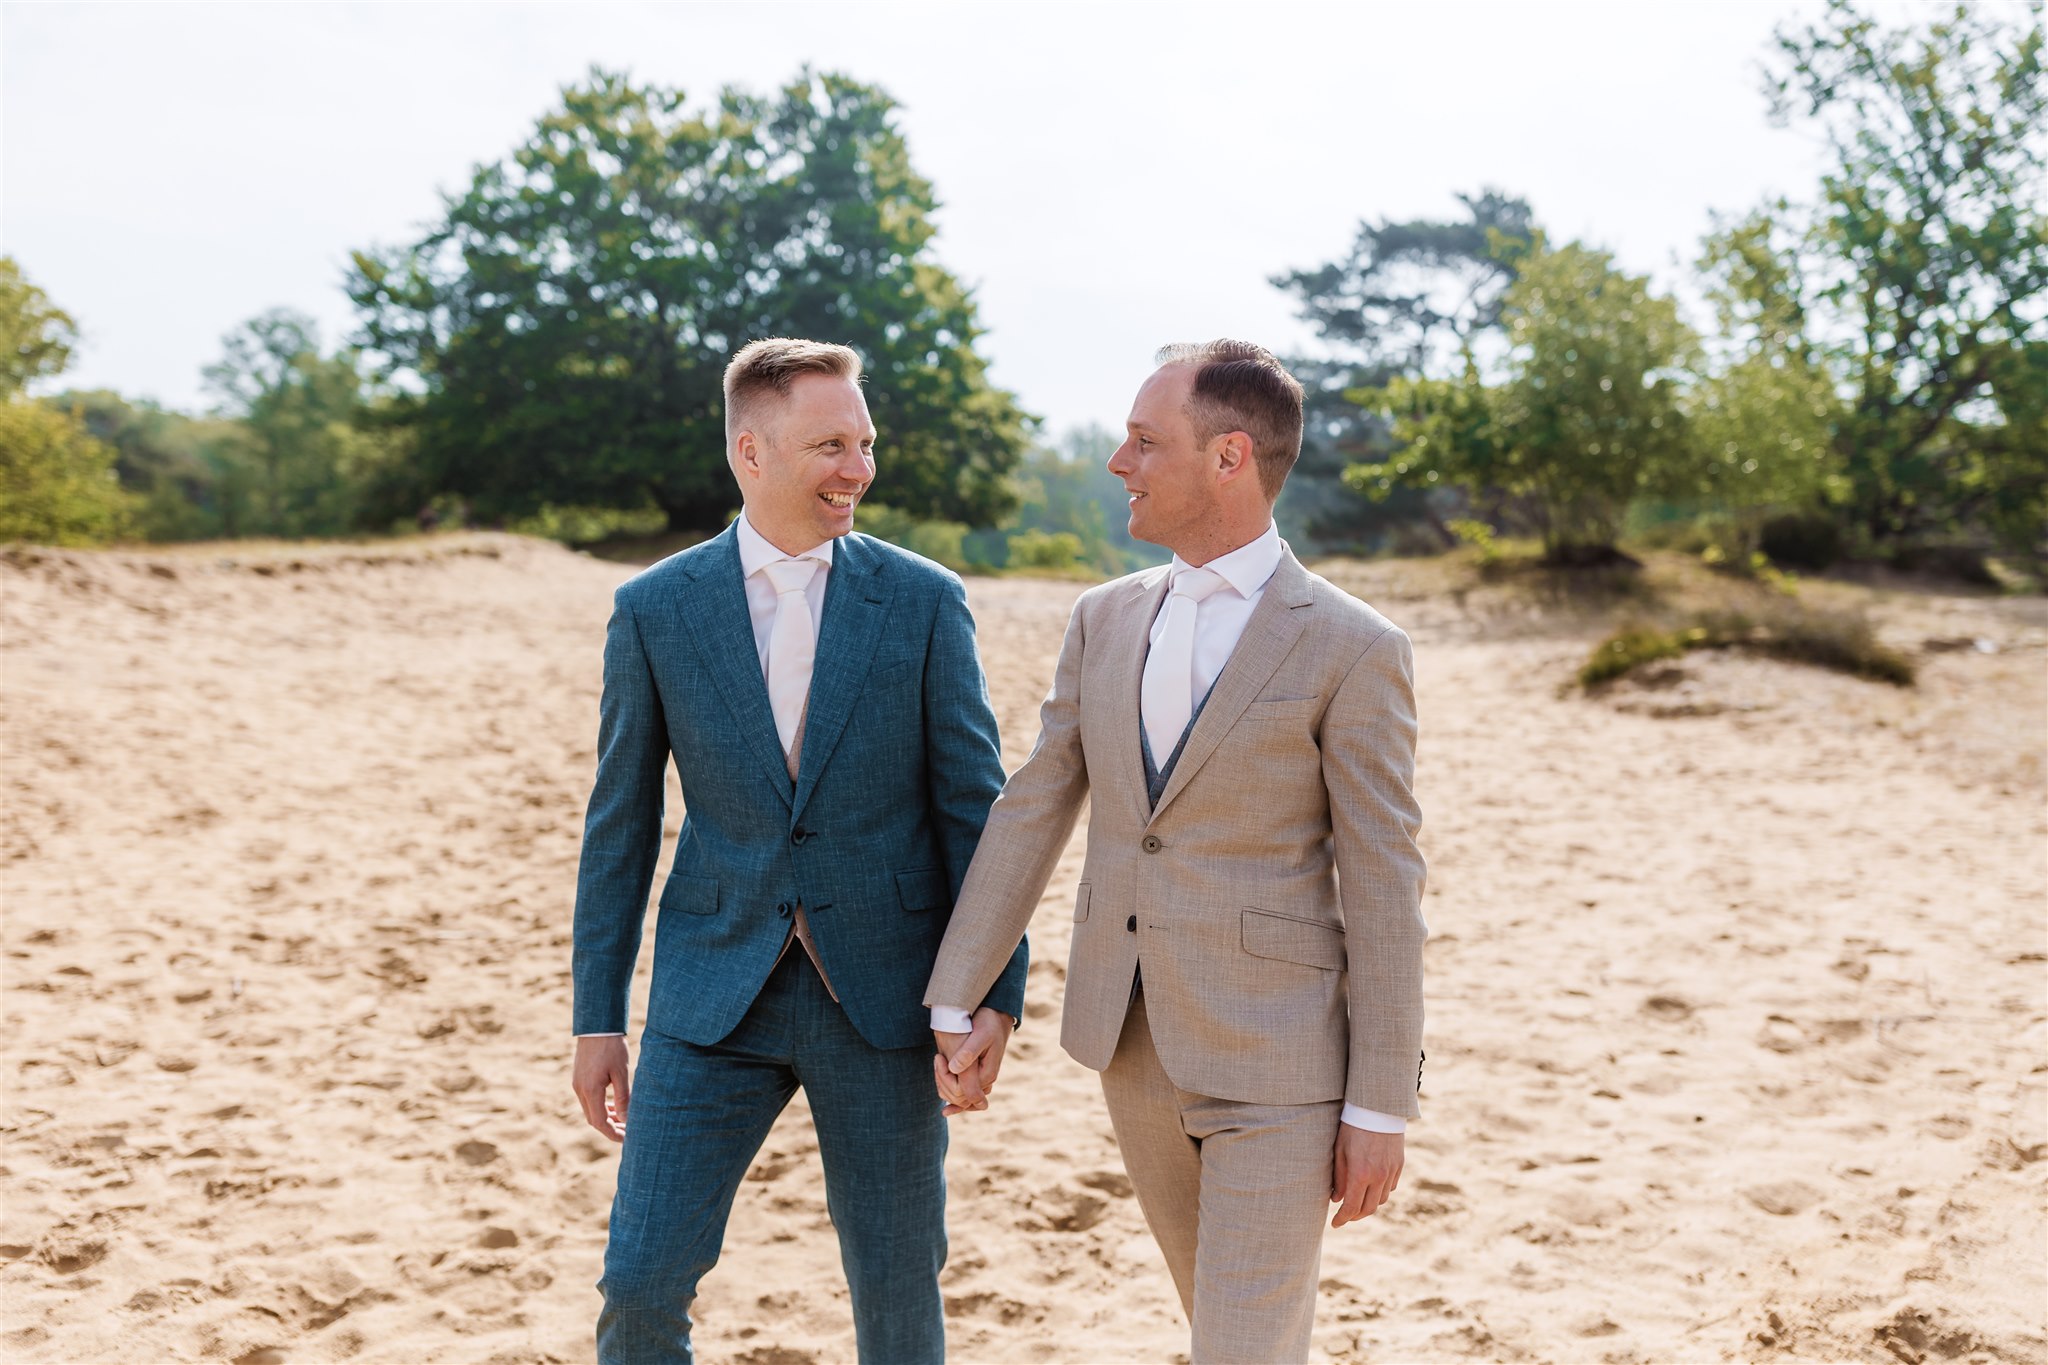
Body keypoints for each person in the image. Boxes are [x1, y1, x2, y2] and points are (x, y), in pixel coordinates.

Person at [925, 340, 1426, 1364]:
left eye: (1145, 441)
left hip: (1278, 1065)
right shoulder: (1102, 618)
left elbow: (1384, 886)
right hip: (1131, 1047)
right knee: (1229, 1330)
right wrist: (959, 992)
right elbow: (1034, 807)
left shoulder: (1354, 647)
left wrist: (1381, 1102)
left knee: (1239, 1349)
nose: (1119, 461)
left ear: (1229, 458)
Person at [570, 337, 1026, 1365]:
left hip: (882, 998)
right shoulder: (653, 610)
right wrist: (594, 1018)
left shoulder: (921, 600)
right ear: (750, 452)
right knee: (638, 1287)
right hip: (708, 998)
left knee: (897, 1293)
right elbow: (619, 825)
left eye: (864, 443)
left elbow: (975, 810)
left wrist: (996, 990)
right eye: (830, 444)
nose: (858, 468)